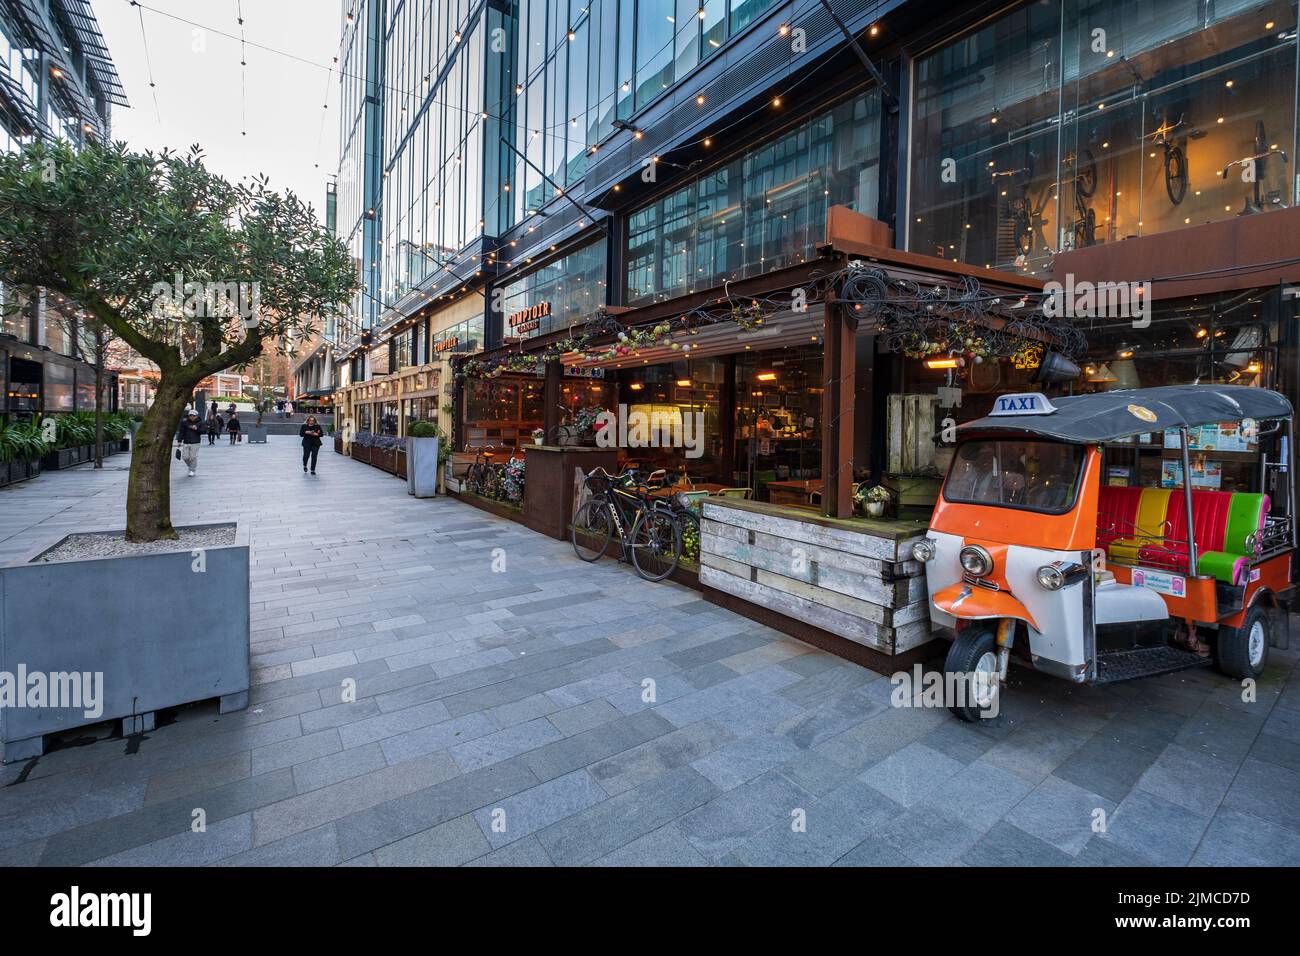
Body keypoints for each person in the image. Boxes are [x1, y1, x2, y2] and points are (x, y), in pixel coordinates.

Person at [175, 410, 202, 477]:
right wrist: (179, 441)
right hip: (186, 442)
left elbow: (204, 431)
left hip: (195, 442)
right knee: (185, 457)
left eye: (194, 415)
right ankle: (191, 467)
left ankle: (192, 470)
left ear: (197, 416)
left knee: (193, 457)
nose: (192, 417)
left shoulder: (200, 422)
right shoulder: (184, 422)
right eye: (190, 415)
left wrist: (197, 429)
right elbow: (181, 432)